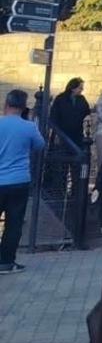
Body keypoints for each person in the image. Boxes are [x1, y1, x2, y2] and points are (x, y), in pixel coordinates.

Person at [0, 89, 46, 273]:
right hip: (19, 180)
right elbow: (40, 145)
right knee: (14, 223)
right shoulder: (29, 127)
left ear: (6, 104)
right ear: (23, 107)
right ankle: (5, 262)